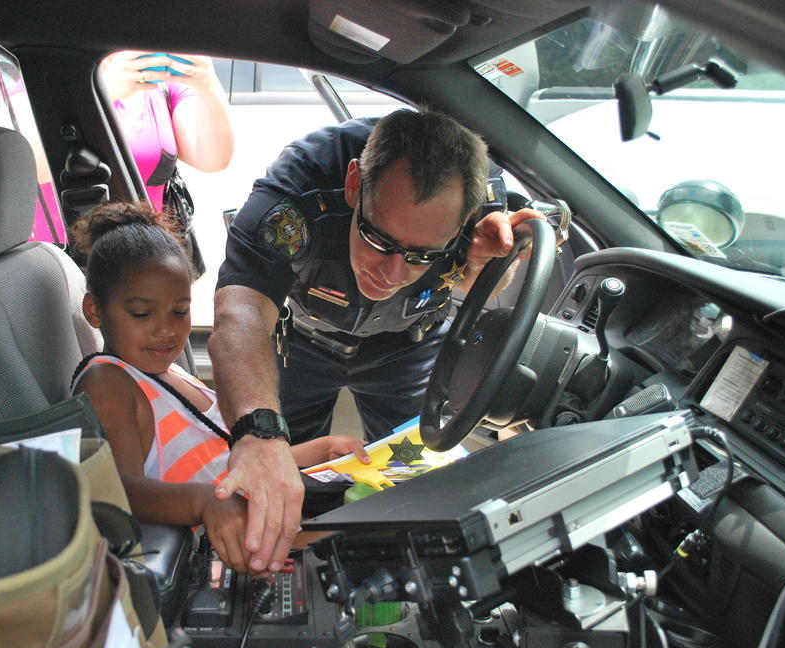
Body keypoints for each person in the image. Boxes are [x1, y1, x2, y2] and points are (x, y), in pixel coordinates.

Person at [209, 109, 549, 574]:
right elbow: (241, 312)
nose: (390, 273)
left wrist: (484, 262)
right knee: (293, 477)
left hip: (411, 345)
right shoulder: (297, 190)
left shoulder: (483, 201)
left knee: (426, 478)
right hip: (305, 341)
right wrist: (260, 433)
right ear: (354, 186)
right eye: (378, 239)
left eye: (421, 255)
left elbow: (478, 285)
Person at [69, 202, 367, 572]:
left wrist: (317, 451)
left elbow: (222, 465)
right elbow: (119, 492)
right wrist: (204, 502)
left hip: (257, 524)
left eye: (180, 311)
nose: (166, 330)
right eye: (142, 314)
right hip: (216, 554)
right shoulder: (108, 381)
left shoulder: (173, 376)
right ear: (95, 310)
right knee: (376, 539)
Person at [100, 51, 234, 209]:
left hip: (149, 231)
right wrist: (104, 92)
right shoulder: (73, 72)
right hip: (78, 230)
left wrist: (207, 84)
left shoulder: (164, 83)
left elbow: (213, 160)